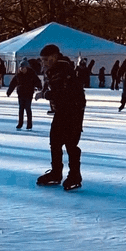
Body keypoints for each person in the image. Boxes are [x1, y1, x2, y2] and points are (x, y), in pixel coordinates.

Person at [35, 44, 86, 191]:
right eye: (42, 60)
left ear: (55, 56)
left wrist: (46, 95)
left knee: (70, 143)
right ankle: (56, 173)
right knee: (55, 141)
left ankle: (75, 175)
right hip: (62, 111)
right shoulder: (54, 70)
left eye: (46, 59)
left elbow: (65, 94)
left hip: (73, 111)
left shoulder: (64, 70)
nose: (44, 63)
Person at [6, 59, 42, 130]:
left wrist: (39, 87)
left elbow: (37, 81)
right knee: (21, 109)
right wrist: (9, 92)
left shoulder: (32, 74)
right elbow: (13, 84)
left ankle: (29, 124)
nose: (22, 69)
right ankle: (20, 123)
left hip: (29, 93)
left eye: (23, 68)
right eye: (21, 68)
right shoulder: (18, 75)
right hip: (21, 93)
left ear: (26, 67)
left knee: (28, 108)